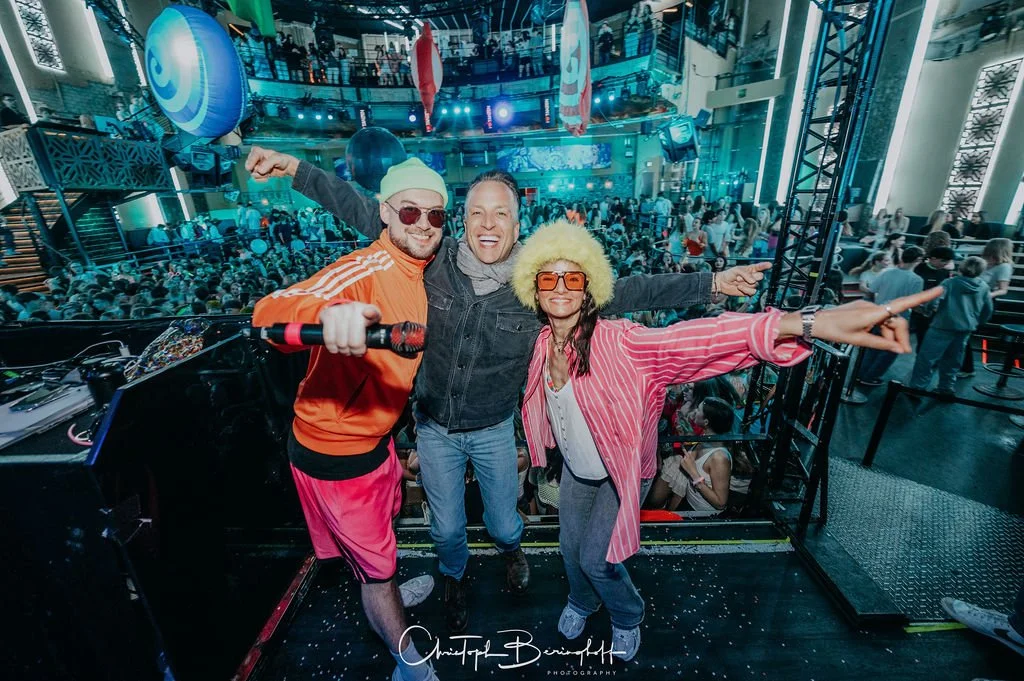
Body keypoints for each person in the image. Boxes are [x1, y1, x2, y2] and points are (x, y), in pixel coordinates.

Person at [244, 145, 774, 634]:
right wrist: (296, 170)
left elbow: (624, 291)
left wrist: (711, 282)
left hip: (495, 429)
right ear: (462, 220)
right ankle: (453, 576)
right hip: (433, 428)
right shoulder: (434, 262)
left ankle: (511, 551)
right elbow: (369, 212)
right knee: (446, 531)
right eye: (477, 212)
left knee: (503, 521)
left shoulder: (535, 285)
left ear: (518, 223)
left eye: (501, 213)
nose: (488, 224)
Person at [511, 220, 940, 662]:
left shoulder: (622, 344)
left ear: (590, 288)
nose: (560, 288)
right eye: (548, 279)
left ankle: (626, 615)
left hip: (620, 472)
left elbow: (691, 340)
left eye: (572, 278)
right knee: (570, 549)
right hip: (578, 470)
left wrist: (795, 323)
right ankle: (582, 602)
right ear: (535, 291)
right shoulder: (541, 344)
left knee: (598, 560)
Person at [251, 158, 447, 681]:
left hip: (376, 444)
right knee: (376, 568)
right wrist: (325, 317)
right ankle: (409, 661)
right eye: (410, 211)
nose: (424, 224)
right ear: (385, 212)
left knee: (384, 537)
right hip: (336, 457)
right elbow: (273, 311)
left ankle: (383, 584)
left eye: (435, 215)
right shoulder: (366, 269)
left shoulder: (421, 270)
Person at [907, 256, 991, 397]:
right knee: (953, 360)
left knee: (927, 359)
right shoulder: (984, 286)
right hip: (965, 329)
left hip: (942, 326)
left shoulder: (950, 283)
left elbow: (934, 301)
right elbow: (988, 309)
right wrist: (977, 322)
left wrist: (927, 311)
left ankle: (917, 388)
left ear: (962, 267)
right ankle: (946, 388)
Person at [856, 246, 925, 387]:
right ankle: (871, 377)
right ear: (918, 260)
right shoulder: (916, 280)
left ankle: (861, 374)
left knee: (873, 347)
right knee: (890, 351)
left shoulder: (886, 272)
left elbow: (872, 290)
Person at [910, 246, 954, 346]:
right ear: (933, 258)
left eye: (948, 262)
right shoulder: (918, 269)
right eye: (943, 261)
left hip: (935, 312)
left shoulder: (945, 273)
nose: (945, 264)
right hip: (917, 310)